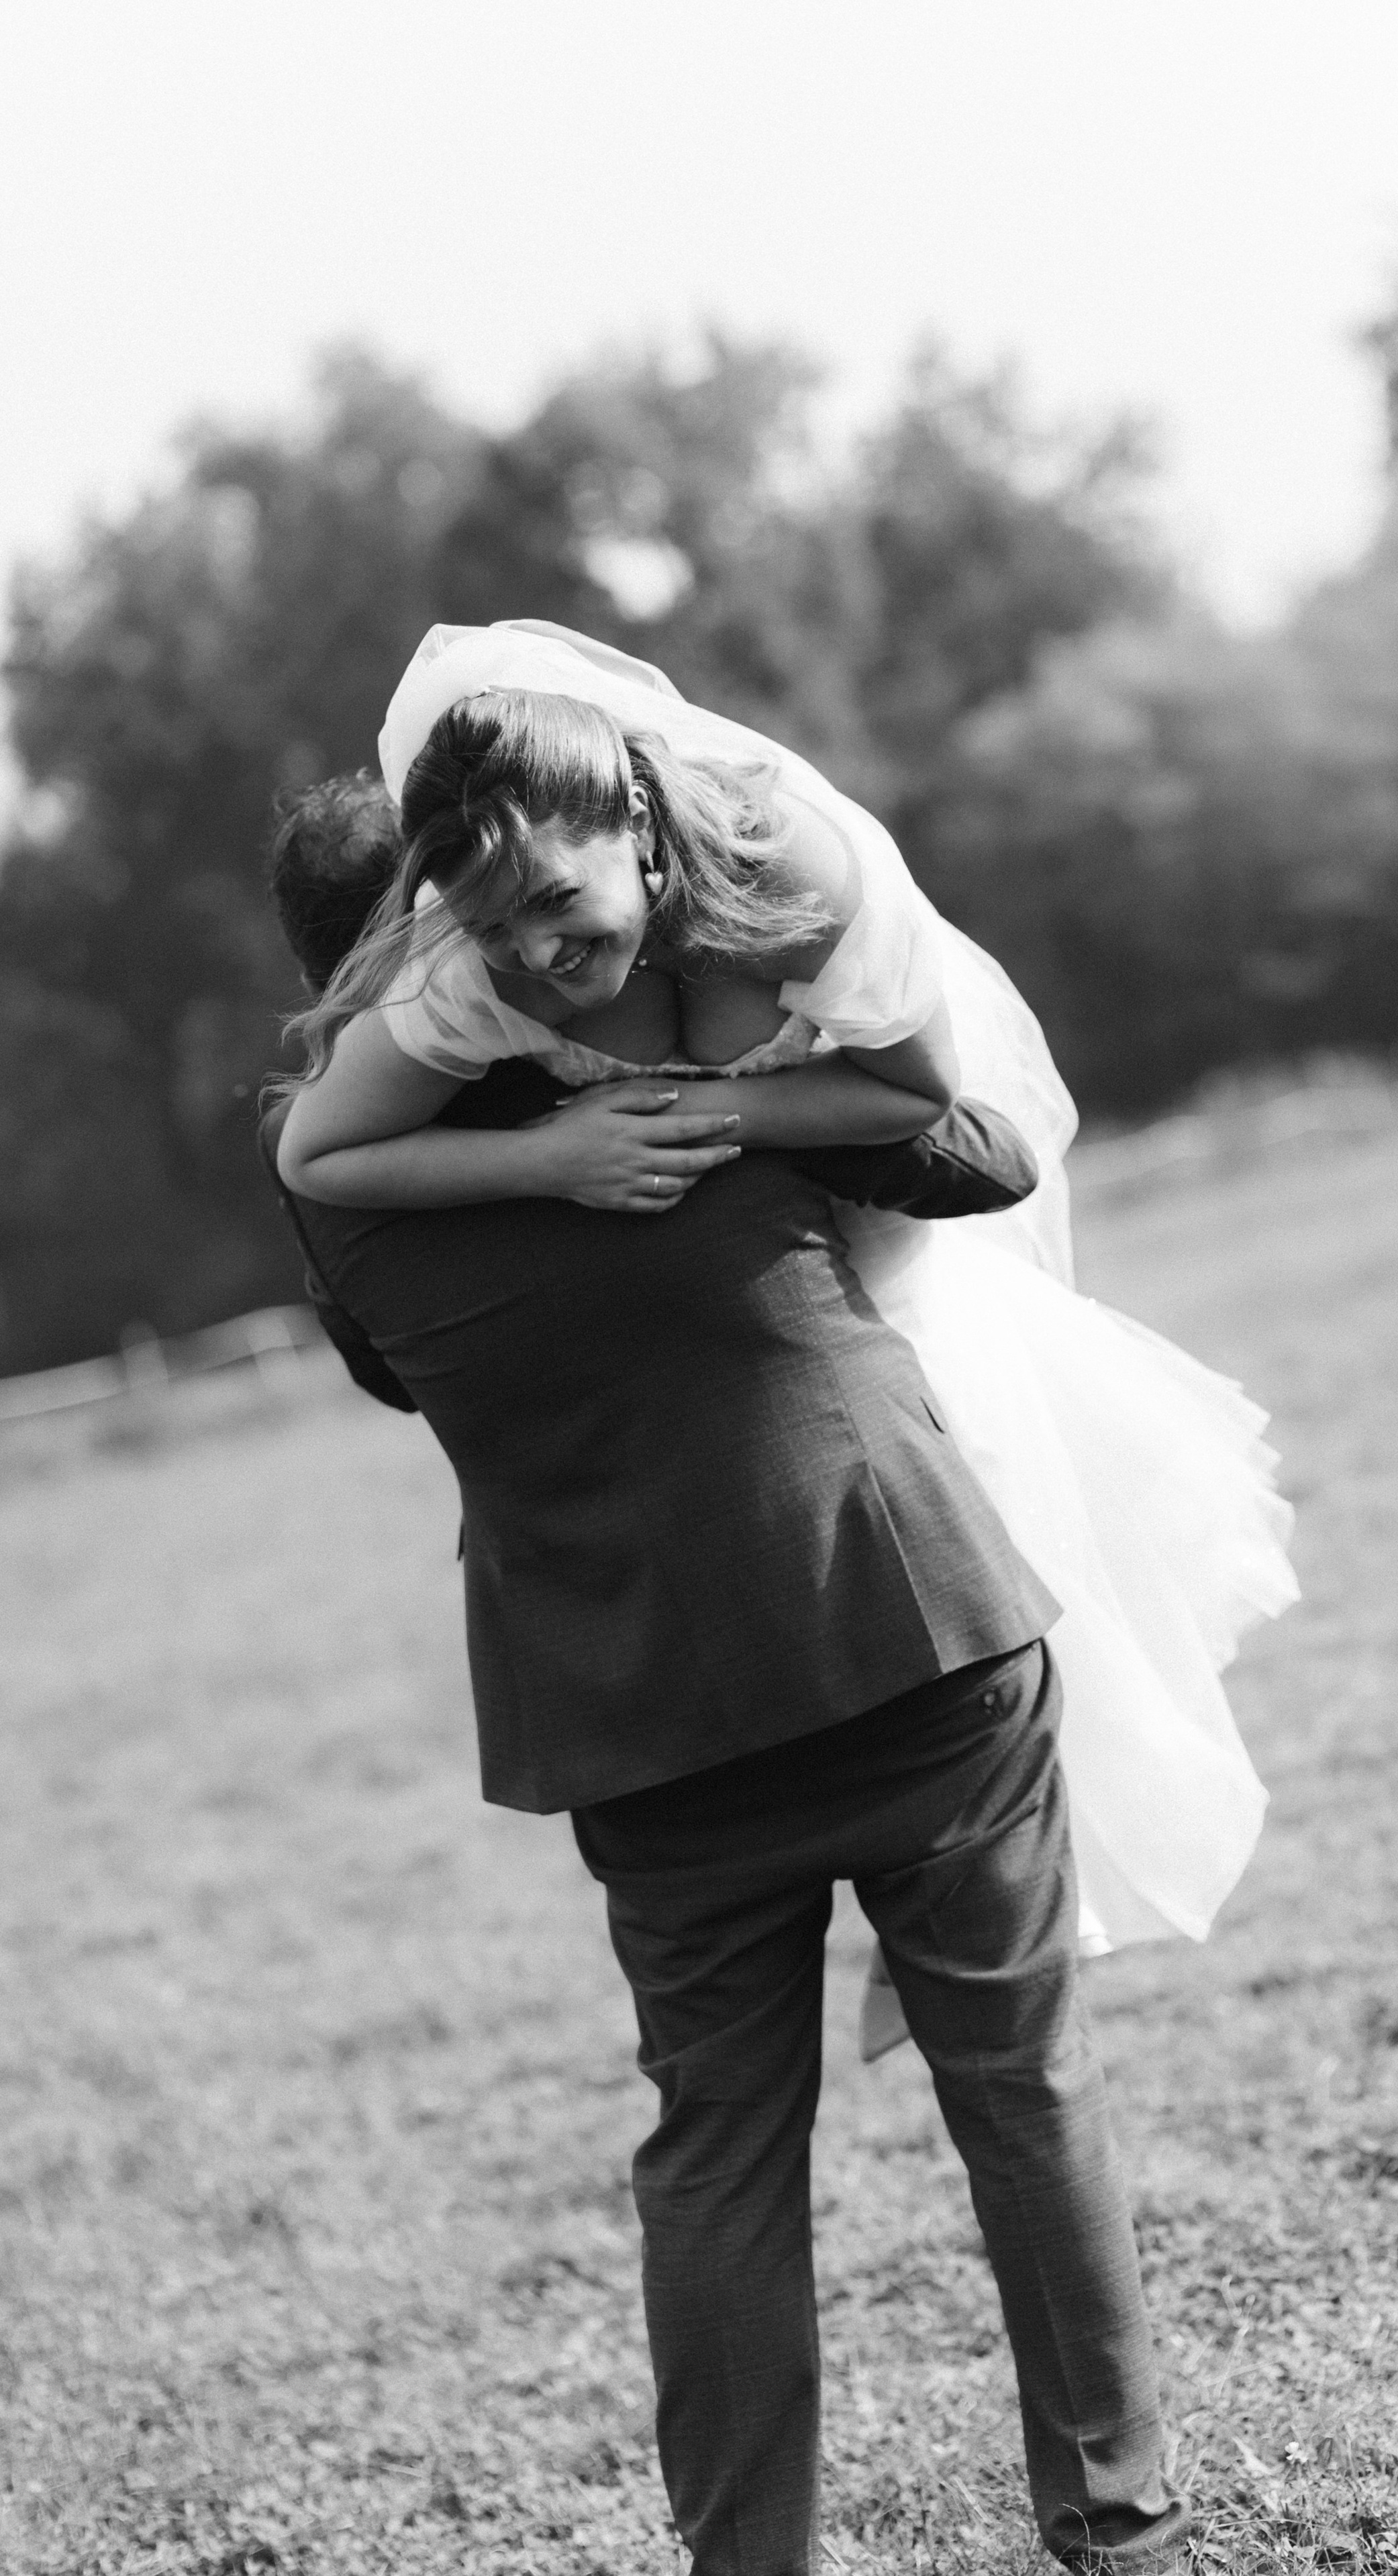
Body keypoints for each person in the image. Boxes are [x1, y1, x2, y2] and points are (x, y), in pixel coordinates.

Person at [260, 768, 1193, 2573]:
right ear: (440, 934)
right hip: (893, 1614)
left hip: (630, 1701)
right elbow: (989, 1151)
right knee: (1024, 2086)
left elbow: (390, 1369)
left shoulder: (348, 1196)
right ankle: (1124, 2526)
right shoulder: (710, 1088)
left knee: (714, 2158)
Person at [276, 623, 1297, 1973]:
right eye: (490, 924)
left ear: (633, 827)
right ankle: (969, 1889)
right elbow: (330, 1168)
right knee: (929, 1486)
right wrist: (551, 1153)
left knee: (968, 1436)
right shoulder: (460, 989)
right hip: (723, 1389)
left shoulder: (785, 865)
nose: (534, 952)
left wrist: (722, 1109)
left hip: (838, 1139)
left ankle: (995, 1870)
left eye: (556, 909)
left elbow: (933, 1108)